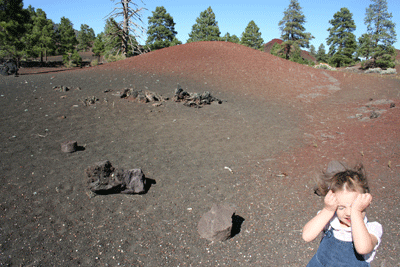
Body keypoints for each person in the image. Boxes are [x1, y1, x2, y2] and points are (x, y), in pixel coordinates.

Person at [302, 162, 382, 266]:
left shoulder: (372, 228)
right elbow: (306, 236)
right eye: (341, 207)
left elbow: (363, 249)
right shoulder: (330, 220)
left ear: (366, 202)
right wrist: (328, 210)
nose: (348, 213)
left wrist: (356, 212)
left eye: (354, 206)